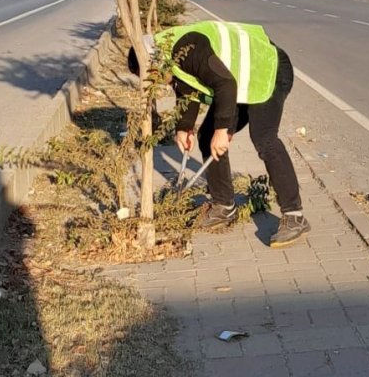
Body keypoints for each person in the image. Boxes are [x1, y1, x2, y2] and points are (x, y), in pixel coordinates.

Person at [129, 20, 310, 248]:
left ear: (153, 63)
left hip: (267, 71)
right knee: (207, 137)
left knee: (264, 138)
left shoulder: (186, 47)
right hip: (240, 81)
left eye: (152, 77)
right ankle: (224, 206)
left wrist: (223, 130)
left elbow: (225, 84)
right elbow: (188, 88)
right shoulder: (170, 55)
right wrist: (184, 127)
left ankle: (295, 217)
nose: (156, 84)